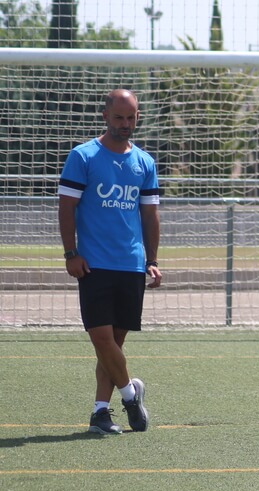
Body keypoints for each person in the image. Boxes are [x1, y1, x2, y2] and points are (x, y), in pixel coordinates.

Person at [58, 89, 162, 435]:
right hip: (93, 264)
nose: (126, 124)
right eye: (119, 117)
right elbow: (66, 208)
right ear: (105, 116)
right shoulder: (82, 156)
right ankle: (131, 396)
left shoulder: (144, 162)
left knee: (113, 347)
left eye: (131, 118)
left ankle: (100, 413)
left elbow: (149, 215)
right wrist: (70, 253)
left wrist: (152, 260)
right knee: (101, 339)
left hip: (131, 266)